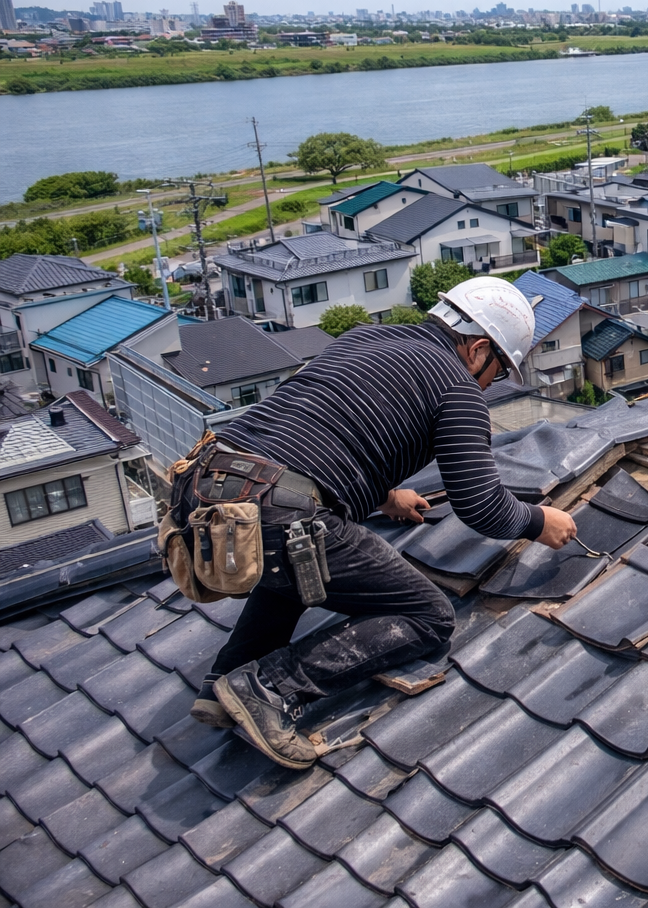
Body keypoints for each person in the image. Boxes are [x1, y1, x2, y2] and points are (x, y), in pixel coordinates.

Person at [181, 277, 578, 769]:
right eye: (495, 374)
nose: (488, 386)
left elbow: (316, 430)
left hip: (204, 488)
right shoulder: (457, 387)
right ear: (478, 350)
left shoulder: (366, 337)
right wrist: (539, 521)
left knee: (297, 563)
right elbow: (481, 505)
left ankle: (226, 679)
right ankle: (269, 687)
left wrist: (385, 496)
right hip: (273, 509)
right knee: (428, 616)